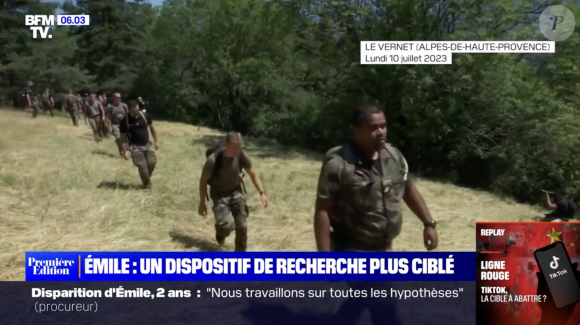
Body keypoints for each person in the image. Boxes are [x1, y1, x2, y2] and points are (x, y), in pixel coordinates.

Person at [315, 104, 438, 325]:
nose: (381, 132)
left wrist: (428, 223)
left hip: (382, 247)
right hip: (352, 247)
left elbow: (408, 188)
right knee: (384, 304)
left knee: (364, 297)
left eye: (383, 126)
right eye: (374, 127)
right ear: (356, 129)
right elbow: (323, 209)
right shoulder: (339, 164)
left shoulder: (393, 155)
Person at [198, 132, 268, 252]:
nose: (238, 151)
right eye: (235, 148)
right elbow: (203, 181)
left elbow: (253, 173)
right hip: (219, 195)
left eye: (240, 148)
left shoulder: (240, 155)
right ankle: (220, 233)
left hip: (236, 192)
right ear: (227, 145)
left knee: (242, 225)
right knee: (226, 226)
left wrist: (262, 193)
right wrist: (202, 202)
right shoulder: (213, 160)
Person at [120, 100, 159, 189]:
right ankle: (147, 186)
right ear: (129, 110)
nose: (138, 113)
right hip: (135, 146)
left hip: (147, 144)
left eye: (138, 110)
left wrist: (156, 141)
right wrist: (125, 150)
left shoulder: (144, 116)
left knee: (152, 163)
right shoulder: (125, 121)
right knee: (142, 166)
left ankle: (146, 177)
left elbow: (152, 127)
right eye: (135, 111)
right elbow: (122, 138)